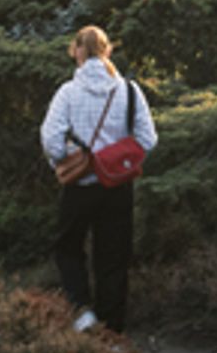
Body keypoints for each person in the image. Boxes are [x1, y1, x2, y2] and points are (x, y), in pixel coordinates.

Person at [39, 23, 155, 333]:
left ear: (77, 51)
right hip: (119, 188)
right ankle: (113, 334)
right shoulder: (130, 90)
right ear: (106, 51)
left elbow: (50, 139)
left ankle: (81, 312)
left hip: (79, 188)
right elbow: (148, 139)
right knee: (113, 260)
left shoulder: (67, 92)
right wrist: (117, 160)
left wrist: (67, 161)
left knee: (67, 249)